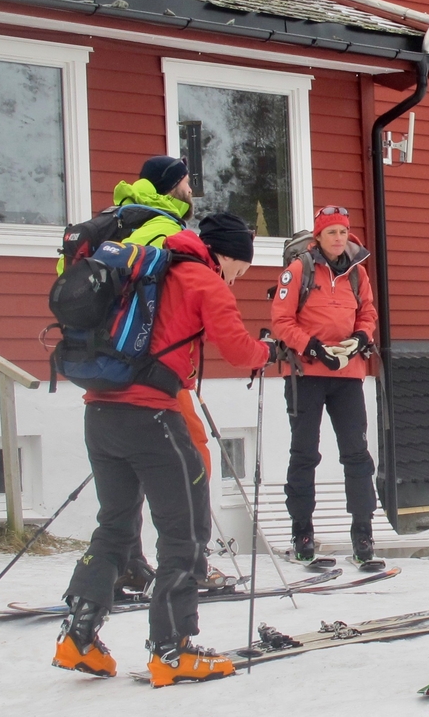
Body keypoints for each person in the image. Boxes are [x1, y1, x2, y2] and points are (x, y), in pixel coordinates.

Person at [53, 213, 271, 687]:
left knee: (114, 526)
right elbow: (237, 349)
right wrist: (267, 353)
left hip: (100, 413)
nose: (239, 278)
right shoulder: (203, 281)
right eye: (242, 268)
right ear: (228, 254)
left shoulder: (148, 268)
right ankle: (173, 650)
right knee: (185, 532)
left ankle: (78, 635)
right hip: (153, 417)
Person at [59, 155, 196, 594]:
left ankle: (124, 569)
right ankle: (174, 620)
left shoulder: (112, 222)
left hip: (97, 372)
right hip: (145, 372)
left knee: (115, 511)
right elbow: (176, 299)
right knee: (181, 511)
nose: (191, 190)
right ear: (172, 186)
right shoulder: (164, 229)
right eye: (187, 182)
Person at [271, 205, 380, 564]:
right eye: (331, 231)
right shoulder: (299, 269)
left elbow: (368, 312)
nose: (338, 238)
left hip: (348, 373)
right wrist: (314, 347)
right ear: (318, 236)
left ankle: (363, 533)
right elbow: (282, 321)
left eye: (343, 232)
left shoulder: (357, 273)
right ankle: (302, 531)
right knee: (304, 453)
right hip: (306, 373)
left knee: (357, 454)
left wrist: (360, 339)